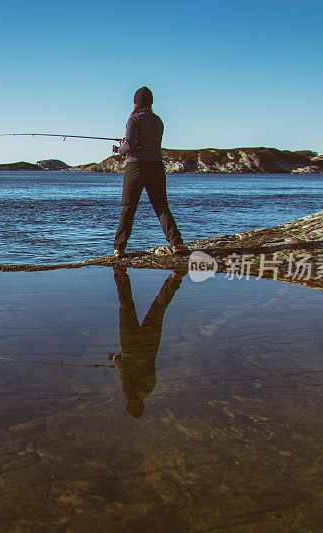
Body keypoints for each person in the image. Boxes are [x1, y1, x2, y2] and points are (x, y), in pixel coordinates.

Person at [113, 86, 187, 257]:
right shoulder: (158, 120)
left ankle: (119, 248)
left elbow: (129, 146)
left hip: (136, 168)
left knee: (128, 208)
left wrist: (119, 149)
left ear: (135, 102)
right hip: (156, 167)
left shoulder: (133, 120)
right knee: (162, 207)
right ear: (151, 102)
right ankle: (177, 243)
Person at [110, 267, 185, 418]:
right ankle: (119, 270)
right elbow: (124, 372)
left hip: (151, 343)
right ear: (131, 405)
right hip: (130, 343)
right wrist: (116, 360)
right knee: (126, 304)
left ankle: (175, 277)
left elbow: (145, 366)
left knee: (159, 307)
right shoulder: (129, 393)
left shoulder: (150, 387)